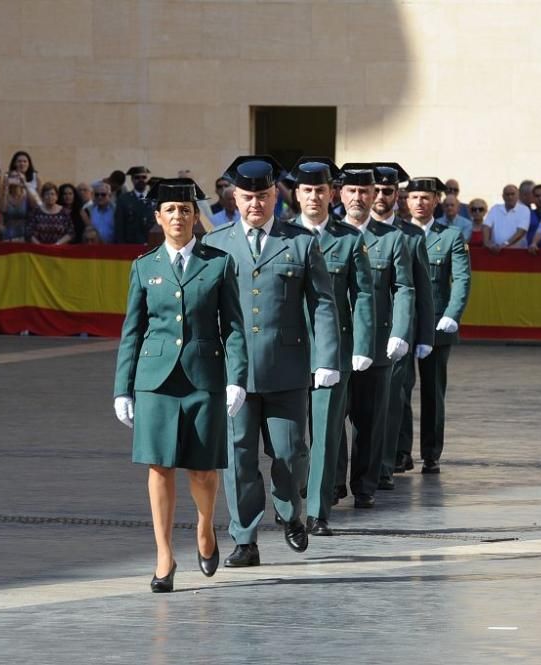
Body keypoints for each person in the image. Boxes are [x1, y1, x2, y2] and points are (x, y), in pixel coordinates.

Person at [202, 155, 339, 567]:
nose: (255, 205)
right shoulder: (217, 245)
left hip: (287, 369)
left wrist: (327, 358)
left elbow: (323, 304)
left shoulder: (299, 242)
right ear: (234, 198)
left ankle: (289, 512)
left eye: (262, 197)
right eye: (247, 198)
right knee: (239, 457)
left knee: (291, 453)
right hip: (235, 373)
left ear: (275, 196)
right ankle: (244, 538)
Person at [113, 178, 248, 592]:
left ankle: (205, 529)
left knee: (203, 471)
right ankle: (164, 555)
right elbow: (132, 332)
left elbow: (235, 329)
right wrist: (123, 387)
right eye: (170, 210)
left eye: (185, 210)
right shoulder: (144, 266)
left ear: (196, 217)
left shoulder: (219, 263)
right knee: (159, 466)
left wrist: (236, 379)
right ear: (158, 217)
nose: (178, 217)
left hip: (203, 376)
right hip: (156, 380)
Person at [291, 157, 374, 535]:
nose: (313, 197)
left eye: (320, 190)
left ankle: (318, 511)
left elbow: (364, 296)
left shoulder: (348, 239)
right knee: (290, 438)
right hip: (287, 353)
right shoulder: (282, 236)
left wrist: (362, 344)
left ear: (332, 194)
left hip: (333, 352)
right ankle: (290, 501)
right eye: (307, 190)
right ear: (296, 194)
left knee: (325, 435)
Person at [334, 163, 413, 508]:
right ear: (340, 194)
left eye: (365, 192)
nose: (359, 198)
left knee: (370, 419)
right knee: (332, 419)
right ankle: (333, 482)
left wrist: (400, 332)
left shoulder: (392, 238)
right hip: (334, 343)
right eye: (352, 191)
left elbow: (405, 288)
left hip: (377, 343)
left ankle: (365, 485)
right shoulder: (328, 237)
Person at [373, 163, 434, 482]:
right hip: (365, 332)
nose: (381, 196)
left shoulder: (410, 236)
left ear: (398, 195)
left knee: (395, 397)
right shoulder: (357, 231)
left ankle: (390, 460)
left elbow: (422, 290)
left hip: (399, 333)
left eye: (387, 191)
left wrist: (424, 335)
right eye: (377, 190)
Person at [407, 177, 471, 474]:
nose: (420, 202)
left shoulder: (451, 236)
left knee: (433, 392)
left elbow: (461, 279)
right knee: (397, 392)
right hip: (402, 326)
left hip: (436, 325)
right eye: (414, 197)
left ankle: (431, 453)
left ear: (436, 201)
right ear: (406, 201)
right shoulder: (396, 233)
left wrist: (452, 315)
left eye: (426, 197)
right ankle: (399, 452)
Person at [484, 184, 531, 251]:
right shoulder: (495, 208)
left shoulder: (524, 210)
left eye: (512, 194)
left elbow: (521, 232)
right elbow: (486, 226)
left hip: (517, 252)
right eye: (507, 194)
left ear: (518, 195)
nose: (510, 197)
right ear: (503, 196)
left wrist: (505, 244)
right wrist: (487, 243)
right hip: (495, 251)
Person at [114, 165, 153, 243]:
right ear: (132, 180)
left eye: (144, 177)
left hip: (151, 245)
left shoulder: (154, 198)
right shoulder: (124, 199)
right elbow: (120, 226)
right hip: (131, 245)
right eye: (137, 178)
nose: (141, 180)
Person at [0, 172, 31, 242]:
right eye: (12, 177)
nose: (15, 179)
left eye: (17, 177)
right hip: (9, 231)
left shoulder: (26, 195)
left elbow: (35, 205)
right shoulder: (5, 195)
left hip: (25, 231)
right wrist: (6, 188)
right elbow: (3, 209)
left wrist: (25, 185)